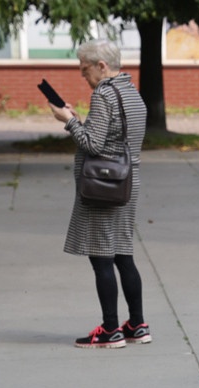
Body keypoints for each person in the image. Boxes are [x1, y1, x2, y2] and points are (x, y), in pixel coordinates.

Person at [49, 40, 150, 348]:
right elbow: (113, 138)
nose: (84, 76)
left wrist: (67, 122)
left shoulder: (104, 94)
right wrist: (83, 122)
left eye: (85, 70)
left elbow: (93, 145)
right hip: (127, 182)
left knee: (102, 257)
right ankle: (137, 325)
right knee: (123, 253)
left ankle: (109, 330)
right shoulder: (132, 93)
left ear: (101, 66)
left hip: (103, 187)